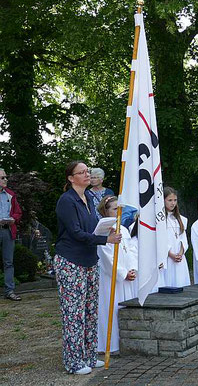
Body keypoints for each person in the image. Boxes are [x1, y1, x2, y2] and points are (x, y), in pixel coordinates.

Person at [54, 161, 121, 375]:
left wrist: (105, 228)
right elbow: (75, 232)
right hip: (71, 261)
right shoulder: (67, 201)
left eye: (87, 172)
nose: (86, 175)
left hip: (90, 260)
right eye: (81, 172)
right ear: (71, 178)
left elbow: (91, 226)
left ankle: (90, 356)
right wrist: (104, 239)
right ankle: (73, 362)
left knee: (90, 311)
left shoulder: (89, 199)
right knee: (74, 313)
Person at [96, 196, 138, 354]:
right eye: (114, 209)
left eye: (119, 208)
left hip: (128, 276)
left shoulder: (125, 229)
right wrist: (122, 273)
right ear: (105, 211)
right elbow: (106, 256)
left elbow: (131, 250)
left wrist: (133, 268)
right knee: (111, 308)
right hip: (112, 277)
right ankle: (110, 344)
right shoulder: (103, 229)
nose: (118, 211)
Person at [0, 168, 22, 301]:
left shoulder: (10, 194)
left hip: (8, 230)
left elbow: (18, 212)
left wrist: (14, 218)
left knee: (8, 262)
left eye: (5, 177)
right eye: (2, 178)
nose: (6, 180)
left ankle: (9, 291)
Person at [164, 187, 190, 287]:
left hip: (179, 256)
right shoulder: (160, 220)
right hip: (167, 256)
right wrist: (170, 254)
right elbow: (160, 240)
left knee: (180, 281)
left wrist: (180, 253)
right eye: (170, 200)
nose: (173, 203)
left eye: (175, 200)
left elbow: (183, 238)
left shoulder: (181, 219)